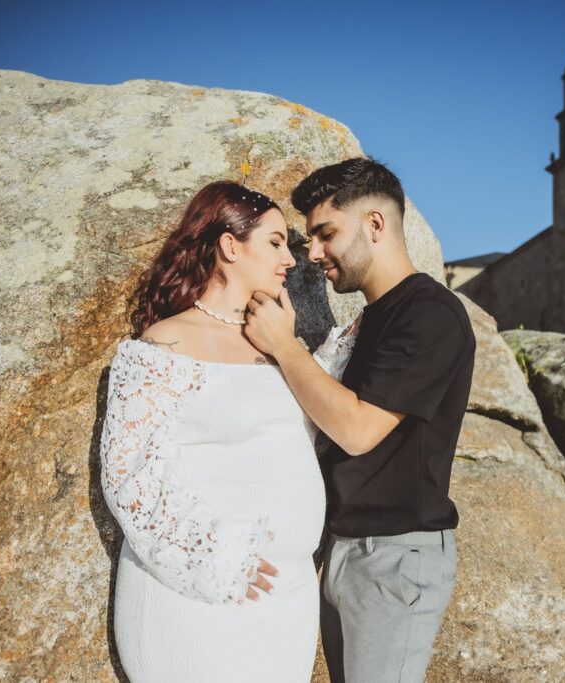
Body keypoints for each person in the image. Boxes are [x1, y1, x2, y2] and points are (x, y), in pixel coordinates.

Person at [100, 181, 350, 681]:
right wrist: (220, 556)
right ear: (230, 246)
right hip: (198, 600)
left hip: (288, 601)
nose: (292, 260)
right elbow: (130, 479)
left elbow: (300, 434)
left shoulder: (278, 341)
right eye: (276, 242)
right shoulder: (164, 344)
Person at [243, 158, 476, 683]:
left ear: (375, 224)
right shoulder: (370, 319)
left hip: (396, 555)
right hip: (347, 550)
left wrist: (283, 344)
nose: (315, 254)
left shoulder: (431, 313)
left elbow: (356, 429)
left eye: (326, 234)